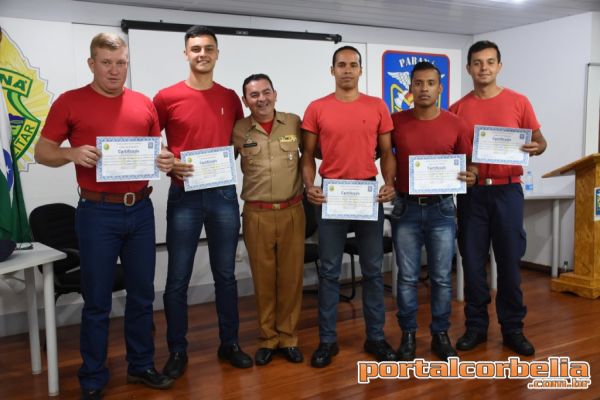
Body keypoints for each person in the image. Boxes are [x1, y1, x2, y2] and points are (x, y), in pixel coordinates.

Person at [34, 33, 175, 400]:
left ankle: (141, 365)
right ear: (92, 63)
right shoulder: (70, 102)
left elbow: (160, 150)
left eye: (121, 62)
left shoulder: (144, 103)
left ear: (128, 63)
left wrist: (166, 159)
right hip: (97, 212)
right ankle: (93, 377)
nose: (115, 70)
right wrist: (70, 154)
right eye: (107, 62)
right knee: (96, 300)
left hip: (141, 210)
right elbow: (42, 152)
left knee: (143, 296)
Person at [153, 25, 252, 377]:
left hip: (223, 194)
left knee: (226, 274)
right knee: (177, 278)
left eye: (208, 48)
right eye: (195, 49)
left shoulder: (229, 97)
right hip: (185, 194)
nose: (202, 54)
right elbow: (151, 142)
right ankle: (177, 350)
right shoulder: (166, 97)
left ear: (217, 54)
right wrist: (166, 157)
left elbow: (241, 143)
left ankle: (231, 344)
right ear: (185, 54)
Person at [301, 45, 397, 368]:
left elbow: (386, 153)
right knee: (329, 272)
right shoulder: (317, 108)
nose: (346, 70)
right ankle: (327, 341)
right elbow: (307, 155)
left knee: (372, 271)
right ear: (332, 70)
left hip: (368, 193)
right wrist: (309, 186)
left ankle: (376, 337)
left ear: (360, 70)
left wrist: (389, 182)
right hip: (331, 195)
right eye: (340, 65)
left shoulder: (377, 106)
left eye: (352, 65)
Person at [450, 40, 547, 356]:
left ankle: (513, 330)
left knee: (509, 262)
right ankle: (476, 328)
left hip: (507, 190)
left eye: (490, 62)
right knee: (473, 262)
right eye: (477, 63)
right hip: (473, 194)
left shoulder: (519, 102)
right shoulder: (458, 109)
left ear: (499, 66)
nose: (484, 68)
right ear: (468, 69)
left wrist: (537, 147)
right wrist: (464, 170)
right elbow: (453, 155)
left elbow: (540, 140)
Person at [389, 61, 476, 361]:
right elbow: (379, 154)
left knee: (440, 277)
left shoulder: (457, 123)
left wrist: (472, 174)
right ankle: (408, 335)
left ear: (440, 87)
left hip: (441, 208)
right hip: (406, 208)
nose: (424, 88)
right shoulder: (394, 121)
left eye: (430, 83)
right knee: (407, 277)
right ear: (410, 88)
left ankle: (440, 334)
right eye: (418, 83)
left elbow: (468, 164)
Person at [232, 74, 305, 366]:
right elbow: (216, 159)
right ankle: (267, 338)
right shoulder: (238, 129)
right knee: (263, 280)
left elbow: (312, 156)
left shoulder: (295, 122)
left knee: (290, 277)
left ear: (275, 93)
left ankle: (287, 337)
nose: (261, 99)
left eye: (266, 92)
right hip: (257, 214)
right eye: (253, 95)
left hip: (292, 211)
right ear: (245, 100)